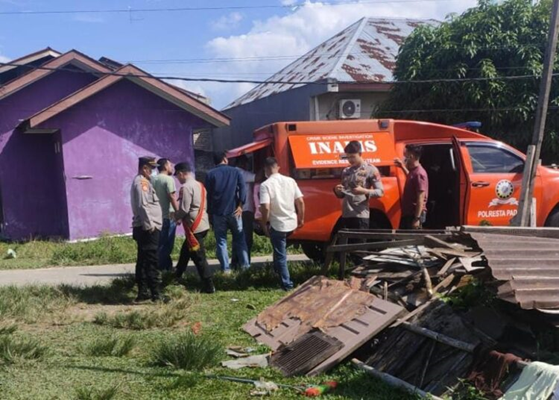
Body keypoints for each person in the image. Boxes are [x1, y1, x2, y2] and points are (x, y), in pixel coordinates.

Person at [259, 157, 305, 291]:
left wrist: (264, 223)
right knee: (280, 251)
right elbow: (300, 201)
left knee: (280, 254)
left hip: (278, 224)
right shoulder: (290, 181)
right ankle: (277, 273)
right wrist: (301, 219)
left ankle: (286, 284)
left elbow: (265, 207)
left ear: (266, 169)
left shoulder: (265, 185)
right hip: (291, 222)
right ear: (277, 167)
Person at [173, 162, 215, 294]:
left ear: (181, 173)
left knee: (198, 256)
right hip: (203, 224)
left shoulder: (186, 187)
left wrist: (175, 216)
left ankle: (209, 285)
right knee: (185, 252)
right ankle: (177, 276)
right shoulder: (200, 185)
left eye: (177, 176)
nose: (178, 179)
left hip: (194, 227)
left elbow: (184, 208)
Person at [130, 156, 167, 303]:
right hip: (147, 227)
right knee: (151, 260)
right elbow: (143, 205)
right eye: (150, 169)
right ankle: (156, 294)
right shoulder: (142, 183)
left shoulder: (144, 181)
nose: (152, 172)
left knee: (144, 260)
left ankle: (143, 292)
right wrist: (150, 224)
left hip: (145, 226)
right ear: (144, 168)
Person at [205, 151, 249, 273]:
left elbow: (208, 195)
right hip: (235, 211)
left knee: (221, 241)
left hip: (218, 213)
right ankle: (245, 267)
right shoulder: (236, 172)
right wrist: (241, 205)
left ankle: (225, 269)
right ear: (225, 159)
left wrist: (209, 213)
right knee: (240, 239)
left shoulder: (210, 174)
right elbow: (243, 189)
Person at [333, 141, 384, 231]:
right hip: (346, 215)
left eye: (353, 157)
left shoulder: (371, 169)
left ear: (360, 154)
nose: (350, 160)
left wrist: (364, 191)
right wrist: (338, 191)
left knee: (359, 244)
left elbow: (380, 192)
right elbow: (342, 194)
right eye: (348, 157)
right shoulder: (346, 171)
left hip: (360, 215)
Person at [152, 158, 179, 271]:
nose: (172, 167)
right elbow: (172, 197)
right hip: (169, 216)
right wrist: (179, 214)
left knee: (160, 244)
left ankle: (166, 267)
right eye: (170, 165)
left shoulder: (152, 179)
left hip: (156, 217)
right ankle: (162, 269)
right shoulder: (168, 179)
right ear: (165, 167)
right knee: (167, 245)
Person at [395, 144, 429, 229]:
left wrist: (417, 219)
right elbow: (411, 178)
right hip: (408, 213)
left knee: (412, 240)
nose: (404, 157)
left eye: (405, 154)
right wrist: (402, 166)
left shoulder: (419, 174)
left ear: (411, 156)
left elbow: (420, 197)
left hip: (414, 214)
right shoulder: (413, 171)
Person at [233, 155, 256, 266]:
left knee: (238, 237)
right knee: (246, 239)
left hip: (241, 209)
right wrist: (265, 167)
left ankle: (236, 262)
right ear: (242, 163)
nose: (248, 165)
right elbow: (257, 177)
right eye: (247, 163)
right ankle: (244, 263)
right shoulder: (241, 173)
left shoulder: (236, 173)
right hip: (244, 210)